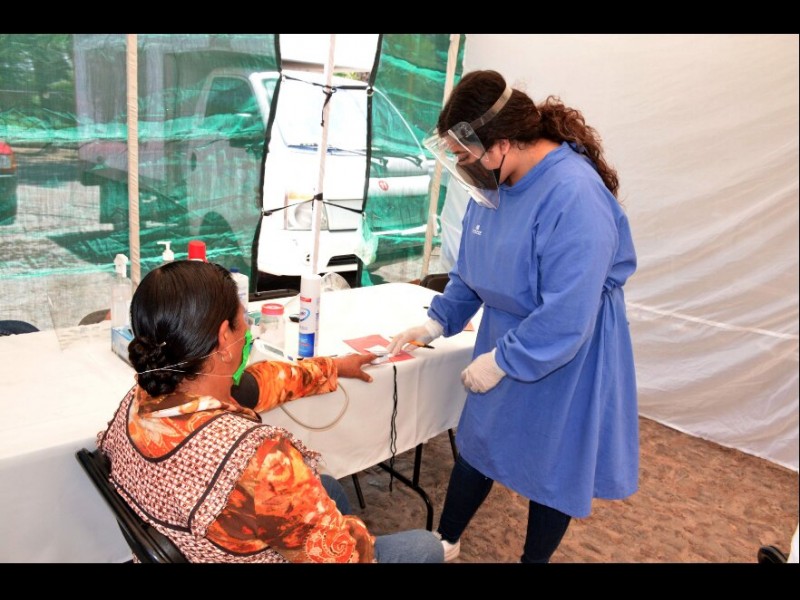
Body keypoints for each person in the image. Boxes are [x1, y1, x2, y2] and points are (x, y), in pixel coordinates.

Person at [388, 70, 638, 563]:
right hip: (509, 335)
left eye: (465, 155)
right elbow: (473, 268)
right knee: (480, 440)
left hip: (567, 345)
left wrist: (503, 361)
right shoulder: (496, 184)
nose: (464, 167)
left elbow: (568, 312)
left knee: (554, 460)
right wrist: (437, 321)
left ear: (502, 144)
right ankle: (446, 540)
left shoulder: (575, 194)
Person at [97, 260, 443, 564]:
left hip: (194, 544)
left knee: (329, 489)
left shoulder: (143, 395)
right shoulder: (261, 459)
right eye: (243, 318)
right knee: (425, 547)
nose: (249, 328)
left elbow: (258, 384)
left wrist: (333, 367)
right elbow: (344, 557)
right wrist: (348, 532)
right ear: (223, 337)